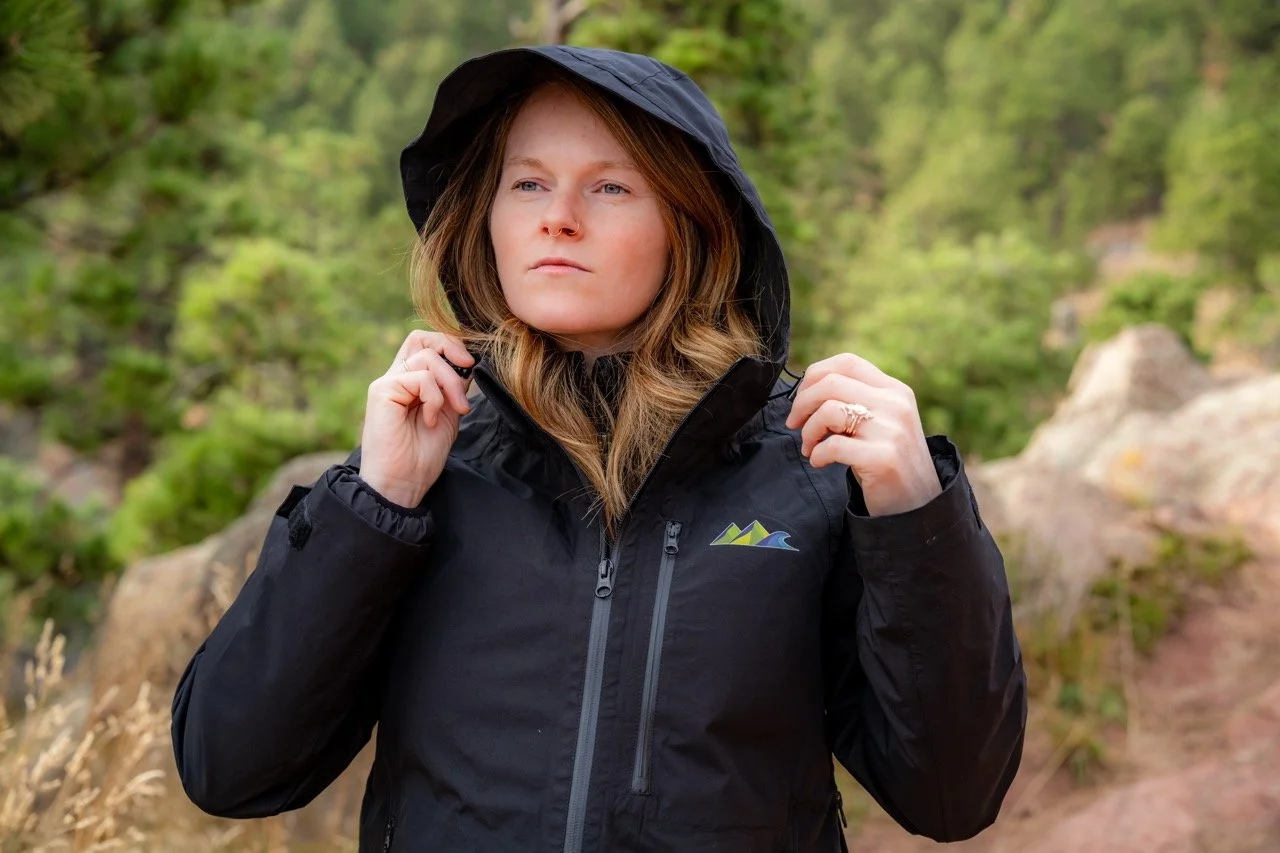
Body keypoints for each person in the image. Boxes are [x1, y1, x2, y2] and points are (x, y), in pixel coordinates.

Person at [171, 45, 1027, 853]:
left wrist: (919, 518)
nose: (559, 219)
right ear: (489, 217)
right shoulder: (423, 469)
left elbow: (952, 795)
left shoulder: (802, 464)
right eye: (529, 183)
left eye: (611, 188)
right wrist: (375, 505)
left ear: (691, 223)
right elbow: (230, 767)